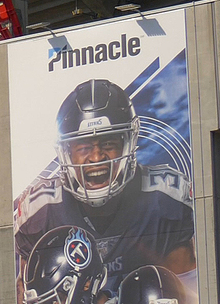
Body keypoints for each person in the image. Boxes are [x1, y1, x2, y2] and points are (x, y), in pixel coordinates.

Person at [14, 79, 195, 280]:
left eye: (108, 144)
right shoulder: (41, 212)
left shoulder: (165, 200)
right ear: (66, 153)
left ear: (128, 143)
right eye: (83, 147)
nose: (97, 157)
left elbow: (188, 298)